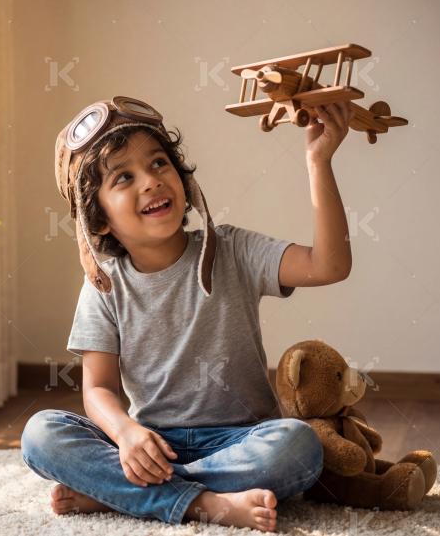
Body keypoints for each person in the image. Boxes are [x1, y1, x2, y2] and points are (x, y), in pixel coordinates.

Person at [21, 96, 354, 531]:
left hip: (241, 439)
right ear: (98, 220)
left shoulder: (234, 250)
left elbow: (330, 265)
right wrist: (125, 434)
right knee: (40, 434)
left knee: (297, 446)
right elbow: (98, 390)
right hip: (151, 442)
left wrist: (318, 161)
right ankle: (206, 504)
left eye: (159, 164)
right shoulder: (104, 284)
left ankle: (121, 493)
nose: (151, 181)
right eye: (124, 177)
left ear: (183, 180)